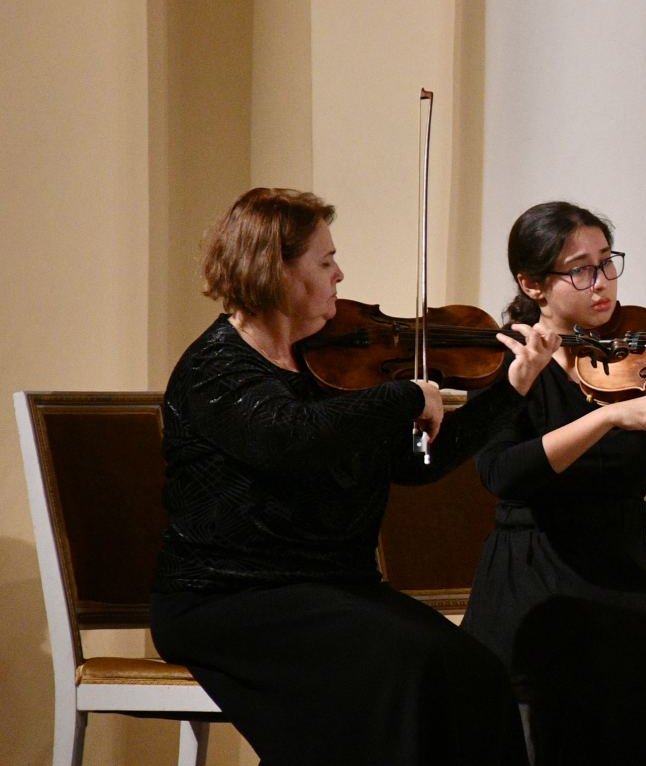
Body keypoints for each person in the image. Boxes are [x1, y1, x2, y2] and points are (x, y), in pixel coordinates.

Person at [151, 187, 553, 766]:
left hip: (337, 589)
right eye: (324, 260)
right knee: (403, 671)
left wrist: (511, 390)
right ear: (275, 270)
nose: (340, 274)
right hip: (230, 597)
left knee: (474, 673)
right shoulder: (216, 368)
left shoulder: (333, 361)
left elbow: (418, 464)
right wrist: (401, 397)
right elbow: (289, 437)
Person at [459, 201, 646, 764]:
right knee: (595, 678)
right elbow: (503, 473)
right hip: (538, 568)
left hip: (622, 561)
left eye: (608, 263)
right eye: (580, 270)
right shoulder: (507, 357)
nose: (602, 284)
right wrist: (605, 417)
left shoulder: (636, 351)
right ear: (533, 284)